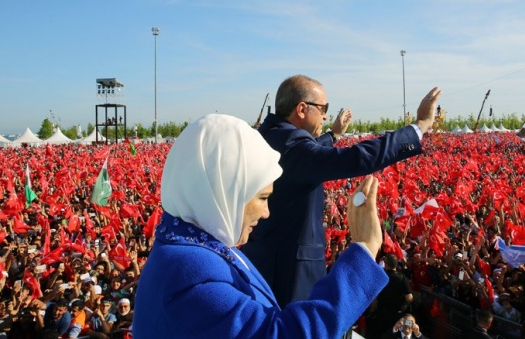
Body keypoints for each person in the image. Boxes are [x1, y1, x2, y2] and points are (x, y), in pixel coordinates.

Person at [133, 114, 388, 338]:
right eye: (263, 198)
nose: (266, 212)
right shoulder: (190, 275)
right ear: (226, 192)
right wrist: (364, 249)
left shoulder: (194, 244)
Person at [241, 74, 441, 305]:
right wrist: (419, 127)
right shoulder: (291, 144)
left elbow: (303, 156)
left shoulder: (268, 135)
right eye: (323, 107)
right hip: (290, 270)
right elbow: (353, 158)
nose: (326, 115)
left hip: (268, 256)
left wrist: (333, 135)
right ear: (302, 109)